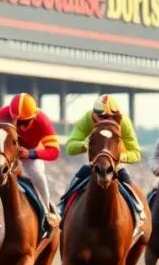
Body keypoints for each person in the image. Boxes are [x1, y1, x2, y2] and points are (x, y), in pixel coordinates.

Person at [59, 94, 144, 227]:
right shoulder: (88, 118)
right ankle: (62, 208)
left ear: (118, 117)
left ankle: (138, 213)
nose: (107, 121)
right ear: (94, 115)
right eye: (103, 117)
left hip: (115, 164)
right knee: (77, 180)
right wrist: (83, 145)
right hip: (95, 163)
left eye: (112, 118)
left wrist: (118, 157)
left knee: (129, 185)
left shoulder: (124, 122)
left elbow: (136, 154)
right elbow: (70, 147)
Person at [0, 92, 61, 226]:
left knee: (38, 175)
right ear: (11, 115)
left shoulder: (43, 121)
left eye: (25, 122)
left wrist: (30, 154)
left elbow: (54, 151)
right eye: (18, 122)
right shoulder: (1, 116)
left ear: (34, 117)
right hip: (8, 154)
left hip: (30, 153)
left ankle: (47, 211)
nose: (21, 127)